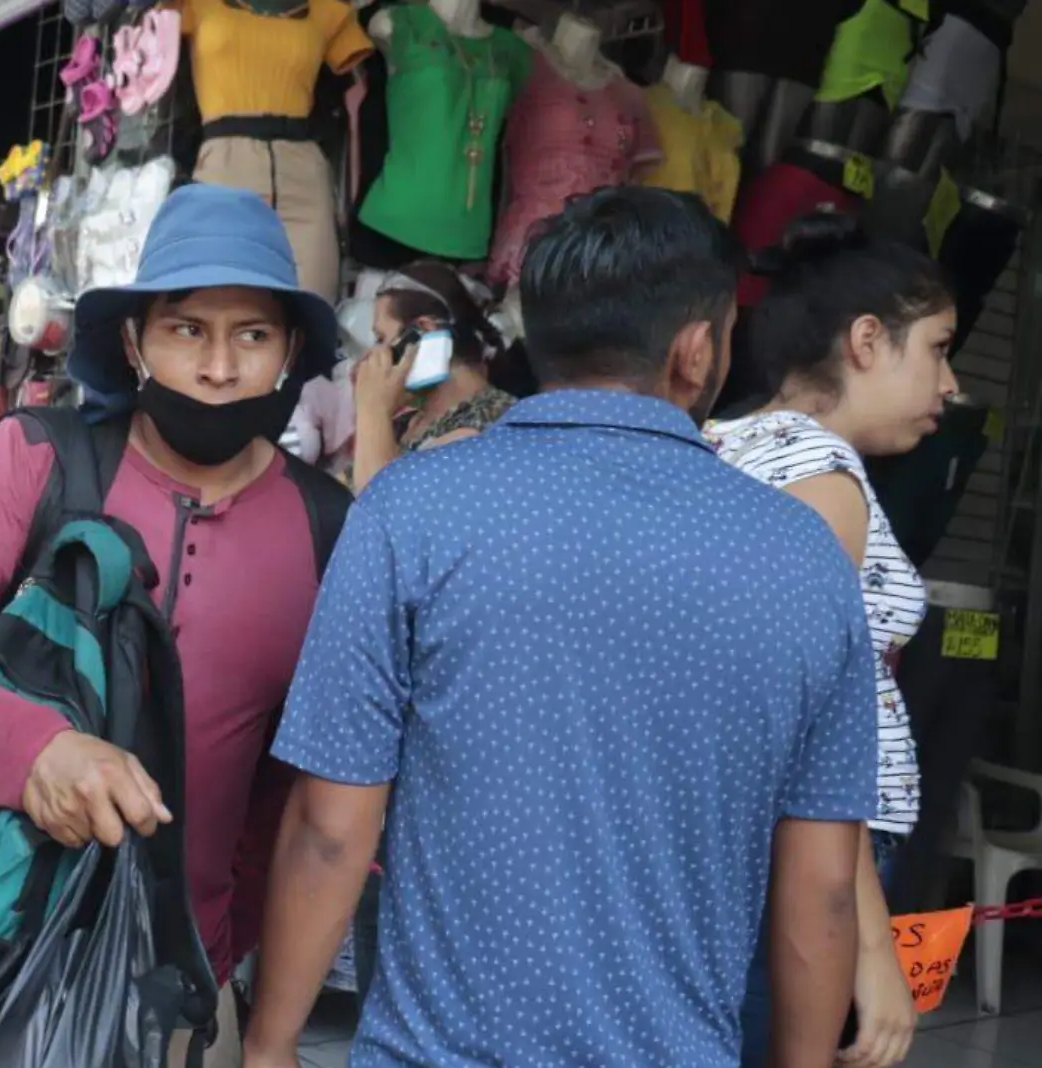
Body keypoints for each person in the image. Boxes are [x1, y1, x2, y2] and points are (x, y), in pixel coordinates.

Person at [246, 187, 877, 1068]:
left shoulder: (413, 509)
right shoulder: (806, 560)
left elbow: (329, 825)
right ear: (697, 350)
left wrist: (269, 1046)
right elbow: (822, 894)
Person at [0, 182, 353, 1068]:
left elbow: (309, 799)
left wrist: (266, 1024)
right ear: (133, 341)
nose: (217, 367)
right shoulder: (37, 460)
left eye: (252, 335)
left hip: (175, 998)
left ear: (287, 355)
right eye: (187, 329)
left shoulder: (327, 529)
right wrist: (34, 750)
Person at [707, 211, 957, 1068]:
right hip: (813, 863)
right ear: (865, 340)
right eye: (937, 347)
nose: (951, 384)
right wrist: (873, 952)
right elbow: (808, 735)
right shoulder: (818, 476)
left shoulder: (733, 441)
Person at [351, 261, 514, 492]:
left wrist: (372, 407)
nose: (373, 354)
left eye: (381, 338)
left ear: (424, 331)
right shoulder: (409, 421)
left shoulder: (486, 428)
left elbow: (380, 508)